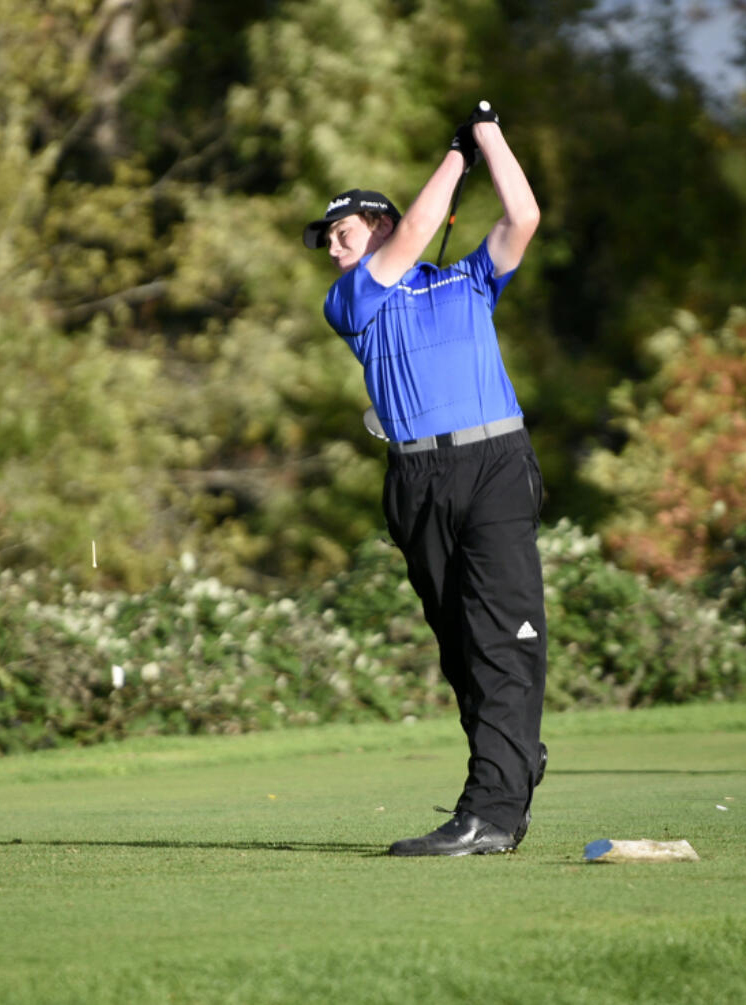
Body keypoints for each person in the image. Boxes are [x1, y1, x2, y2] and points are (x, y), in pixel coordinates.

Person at [302, 103, 548, 856]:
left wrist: (488, 135)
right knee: (461, 646)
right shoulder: (353, 300)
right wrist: (455, 154)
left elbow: (525, 214)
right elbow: (413, 235)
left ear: (375, 223)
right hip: (417, 478)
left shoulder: (471, 280)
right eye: (330, 242)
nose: (335, 249)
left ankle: (492, 812)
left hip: (497, 463)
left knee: (504, 637)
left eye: (343, 233)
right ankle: (512, 759)